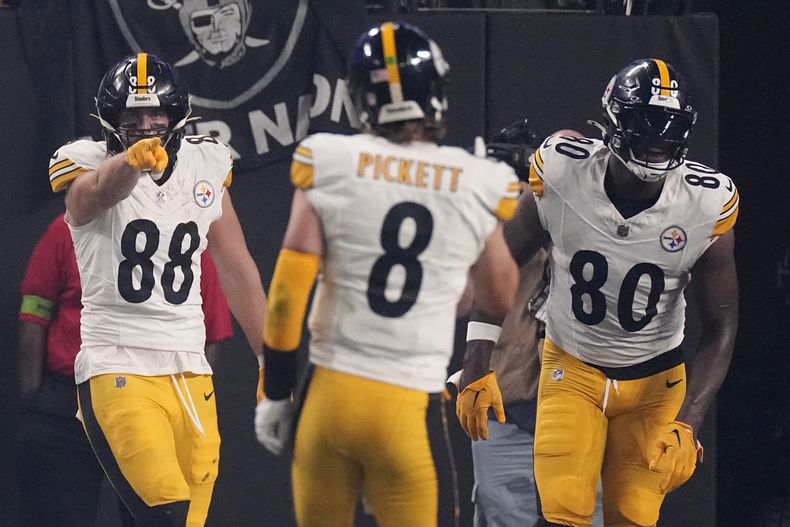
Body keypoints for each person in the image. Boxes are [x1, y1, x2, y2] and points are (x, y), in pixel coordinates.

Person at [253, 21, 520, 527]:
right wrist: (474, 229)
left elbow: (287, 296)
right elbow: (499, 296)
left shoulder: (331, 159)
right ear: (436, 94)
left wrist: (275, 393)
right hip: (408, 406)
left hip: (329, 398)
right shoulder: (472, 179)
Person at [456, 58, 739, 526]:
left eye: (667, 127)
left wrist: (689, 420)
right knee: (563, 508)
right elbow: (502, 263)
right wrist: (476, 359)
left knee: (634, 515)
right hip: (573, 366)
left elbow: (723, 326)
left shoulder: (705, 202)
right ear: (613, 120)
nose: (654, 139)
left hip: (655, 382)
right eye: (644, 124)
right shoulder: (565, 174)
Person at [47, 52, 267, 527]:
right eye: (131, 115)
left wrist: (272, 357)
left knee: (189, 520)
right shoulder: (87, 161)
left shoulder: (206, 163)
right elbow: (90, 198)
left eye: (155, 114)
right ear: (111, 119)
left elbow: (236, 267)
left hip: (190, 367)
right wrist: (128, 164)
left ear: (176, 116)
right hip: (117, 361)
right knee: (166, 511)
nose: (145, 124)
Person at [16, 211, 233, 527]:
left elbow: (211, 330)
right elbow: (33, 316)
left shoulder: (187, 238)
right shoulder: (71, 225)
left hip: (154, 401)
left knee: (160, 516)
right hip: (70, 401)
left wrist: (188, 404)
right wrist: (34, 401)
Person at [456, 122, 605, 527]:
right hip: (509, 406)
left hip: (583, 407)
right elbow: (459, 303)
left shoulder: (605, 218)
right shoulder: (502, 219)